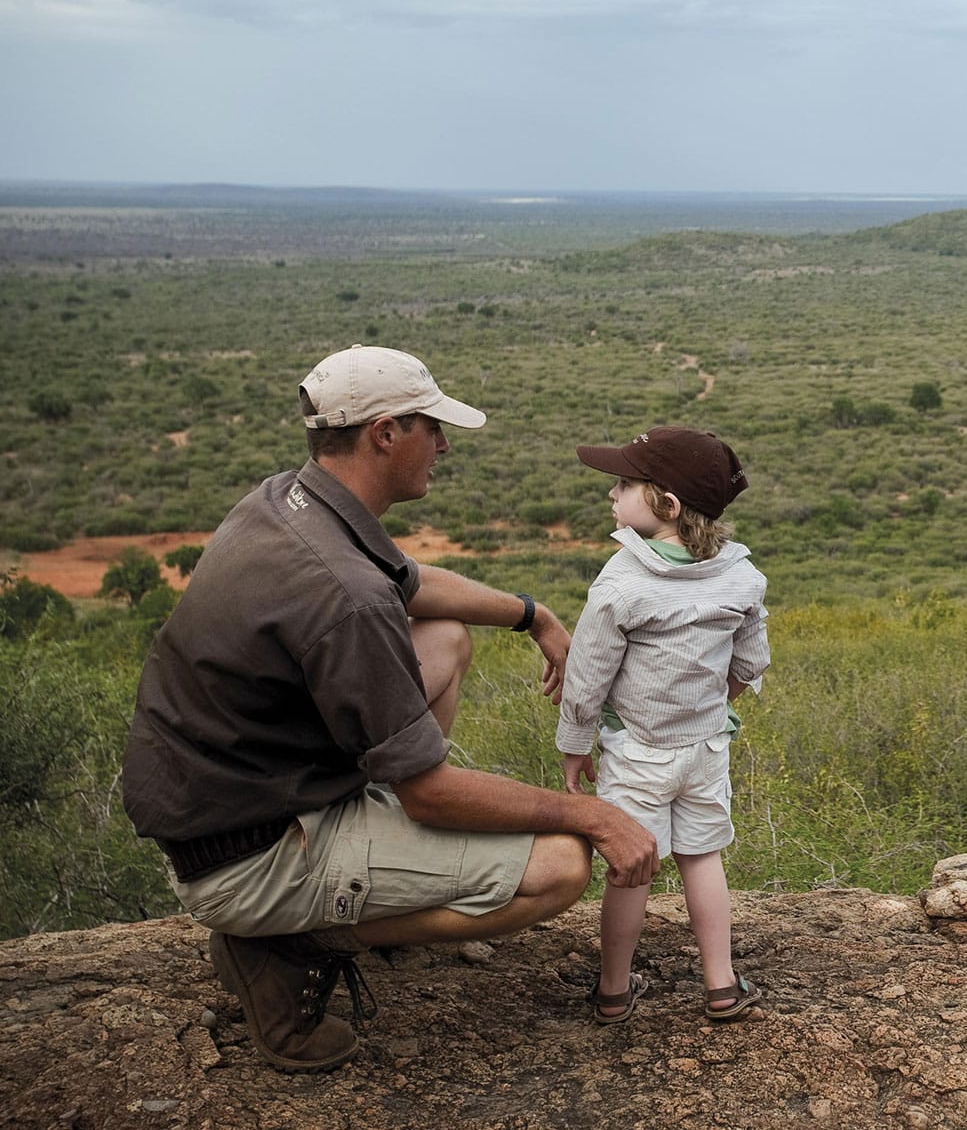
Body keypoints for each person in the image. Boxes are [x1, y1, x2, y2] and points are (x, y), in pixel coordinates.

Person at [120, 344, 659, 1073]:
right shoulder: (345, 596)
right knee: (561, 865)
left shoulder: (288, 502)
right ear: (384, 433)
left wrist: (534, 615)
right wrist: (595, 815)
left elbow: (410, 584)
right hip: (250, 857)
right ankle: (289, 943)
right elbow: (430, 792)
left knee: (443, 638)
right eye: (430, 427)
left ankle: (337, 883)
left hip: (228, 801)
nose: (441, 445)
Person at [558, 425, 769, 1025]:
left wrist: (574, 746)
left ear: (666, 506)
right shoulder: (741, 578)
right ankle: (722, 986)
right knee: (702, 859)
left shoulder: (622, 582)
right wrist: (712, 703)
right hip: (706, 748)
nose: (612, 494)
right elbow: (752, 661)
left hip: (637, 753)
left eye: (625, 485)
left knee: (632, 869)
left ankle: (614, 991)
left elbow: (587, 676)